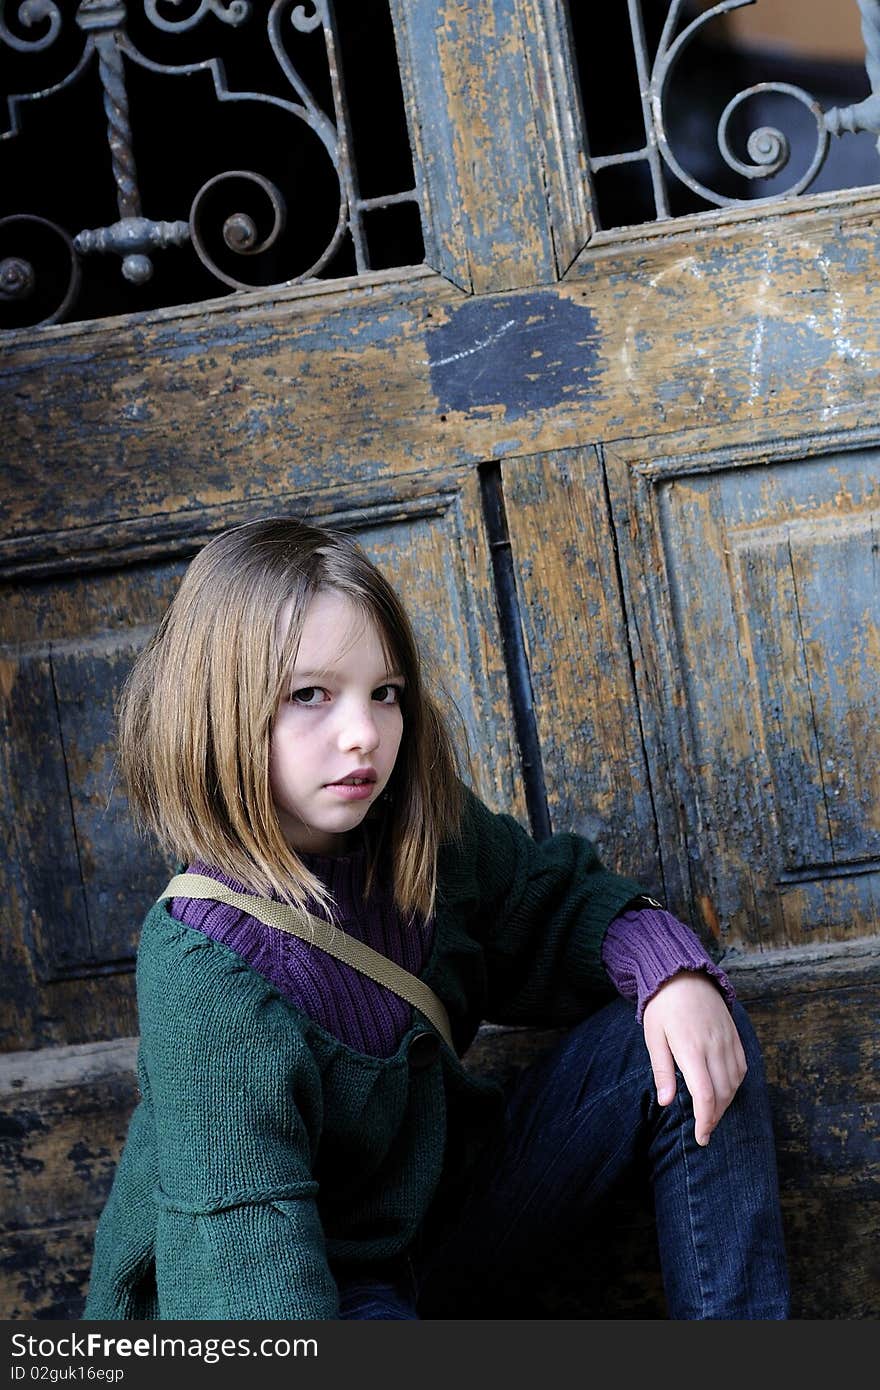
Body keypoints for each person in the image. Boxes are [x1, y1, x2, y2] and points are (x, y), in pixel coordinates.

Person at [83, 515, 790, 1321]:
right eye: (310, 694)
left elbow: (551, 903)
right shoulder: (203, 969)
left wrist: (667, 967)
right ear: (218, 710)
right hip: (312, 1291)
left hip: (438, 1228)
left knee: (688, 1020)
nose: (364, 736)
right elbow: (249, 1271)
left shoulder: (421, 834)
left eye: (384, 694)